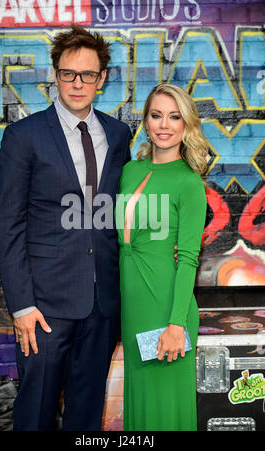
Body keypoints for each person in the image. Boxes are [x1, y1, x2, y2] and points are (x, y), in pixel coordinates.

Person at [0, 25, 132, 431]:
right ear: (55, 75)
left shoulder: (118, 134)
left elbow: (115, 215)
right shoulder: (24, 136)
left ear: (101, 79)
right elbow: (9, 226)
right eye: (68, 73)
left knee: (86, 416)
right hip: (44, 308)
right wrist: (22, 306)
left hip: (102, 305)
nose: (77, 83)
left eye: (87, 74)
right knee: (35, 413)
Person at [116, 83, 208, 431]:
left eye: (174, 117)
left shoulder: (189, 183)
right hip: (134, 305)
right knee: (140, 408)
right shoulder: (129, 171)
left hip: (168, 306)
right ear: (146, 121)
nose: (165, 125)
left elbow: (188, 260)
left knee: (167, 411)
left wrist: (175, 324)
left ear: (186, 125)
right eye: (157, 115)